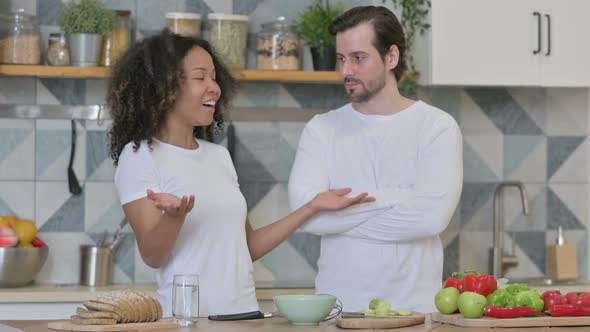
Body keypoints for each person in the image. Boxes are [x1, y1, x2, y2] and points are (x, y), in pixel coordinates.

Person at [107, 29, 374, 317]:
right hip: (189, 321)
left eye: (213, 77)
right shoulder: (139, 156)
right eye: (200, 77)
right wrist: (174, 218)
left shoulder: (218, 156)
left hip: (245, 316)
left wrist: (312, 207)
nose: (215, 88)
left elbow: (247, 247)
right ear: (164, 87)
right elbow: (153, 255)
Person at [288, 6, 463, 313]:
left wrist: (339, 216)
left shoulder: (437, 127)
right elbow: (307, 216)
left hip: (416, 312)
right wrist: (400, 198)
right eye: (341, 59)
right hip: (338, 312)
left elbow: (431, 218)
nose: (345, 71)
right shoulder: (321, 129)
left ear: (391, 57)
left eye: (358, 57)